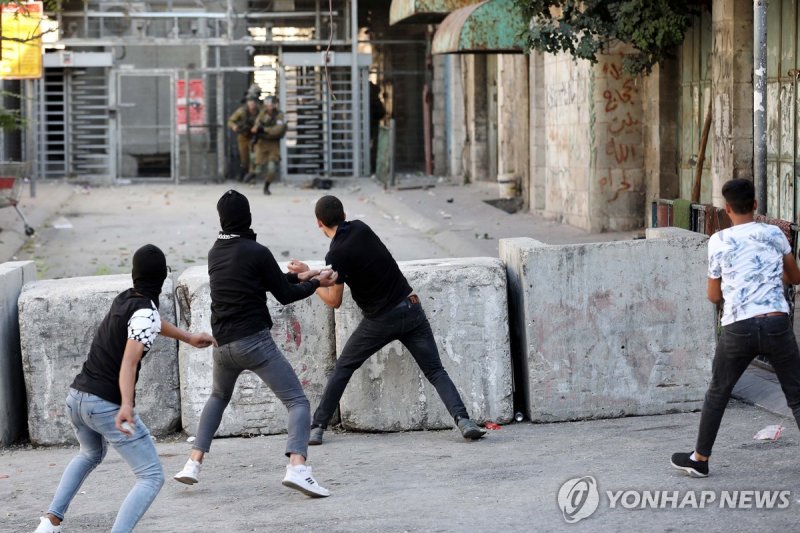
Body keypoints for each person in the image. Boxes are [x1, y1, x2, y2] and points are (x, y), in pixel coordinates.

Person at [33, 245, 217, 533]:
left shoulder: (126, 300)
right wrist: (127, 406)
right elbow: (129, 363)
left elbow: (149, 323)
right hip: (104, 405)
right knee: (151, 476)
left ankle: (49, 523)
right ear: (162, 279)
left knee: (89, 454)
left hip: (77, 398)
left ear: (134, 275)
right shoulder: (145, 313)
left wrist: (189, 337)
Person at [173, 190, 335, 497]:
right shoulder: (256, 250)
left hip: (222, 346)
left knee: (218, 398)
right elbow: (284, 296)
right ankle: (298, 468)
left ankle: (193, 463)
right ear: (248, 217)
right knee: (297, 402)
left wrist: (306, 276)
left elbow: (269, 281)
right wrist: (315, 284)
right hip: (254, 343)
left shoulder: (214, 252)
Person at [288, 195, 487, 446]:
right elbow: (339, 266)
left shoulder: (335, 254)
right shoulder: (361, 228)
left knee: (344, 368)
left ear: (318, 223)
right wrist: (310, 270)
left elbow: (334, 300)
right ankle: (464, 421)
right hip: (411, 307)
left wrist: (308, 281)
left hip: (380, 320)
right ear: (344, 214)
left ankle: (317, 427)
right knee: (435, 371)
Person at [671, 178, 800, 478]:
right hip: (776, 323)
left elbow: (713, 295)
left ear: (727, 208)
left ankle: (700, 459)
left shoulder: (718, 240)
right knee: (796, 396)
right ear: (755, 205)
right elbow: (794, 277)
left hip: (738, 327)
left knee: (718, 392)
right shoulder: (774, 233)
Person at [251, 95, 286, 195]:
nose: (268, 106)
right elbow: (256, 125)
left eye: (270, 104)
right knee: (257, 164)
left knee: (271, 168)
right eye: (267, 104)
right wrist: (257, 128)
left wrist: (265, 130)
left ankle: (266, 185)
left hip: (273, 144)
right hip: (261, 143)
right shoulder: (263, 114)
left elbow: (278, 129)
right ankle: (252, 176)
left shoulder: (280, 115)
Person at [227, 94, 261, 182]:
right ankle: (243, 173)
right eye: (250, 103)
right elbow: (230, 121)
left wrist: (257, 127)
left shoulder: (259, 111)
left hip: (254, 136)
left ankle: (251, 176)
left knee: (253, 156)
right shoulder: (241, 111)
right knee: (244, 158)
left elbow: (262, 120)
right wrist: (234, 126)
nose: (252, 105)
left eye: (253, 103)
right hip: (243, 136)